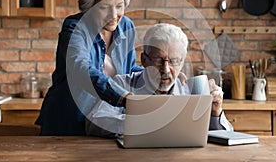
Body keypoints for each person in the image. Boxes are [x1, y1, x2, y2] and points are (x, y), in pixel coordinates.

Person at [35, 0, 144, 135]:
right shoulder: (74, 27)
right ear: (89, 7)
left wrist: (158, 74)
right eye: (104, 7)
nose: (114, 15)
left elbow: (129, 70)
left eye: (119, 6)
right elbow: (80, 68)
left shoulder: (126, 26)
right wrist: (121, 97)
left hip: (106, 122)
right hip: (70, 123)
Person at [86, 23, 233, 137]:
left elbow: (225, 136)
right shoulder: (122, 84)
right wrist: (142, 124)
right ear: (144, 60)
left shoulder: (192, 90)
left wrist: (216, 113)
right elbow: (94, 122)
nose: (166, 69)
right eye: (158, 60)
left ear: (182, 62)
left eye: (174, 61)